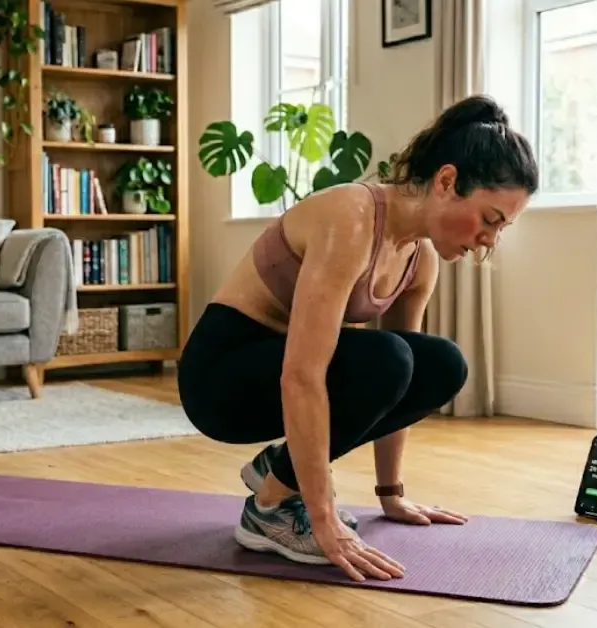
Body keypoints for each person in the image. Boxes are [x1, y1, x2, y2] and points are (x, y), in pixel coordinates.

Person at [176, 94, 539, 583]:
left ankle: (276, 474)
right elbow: (301, 375)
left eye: (502, 229)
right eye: (491, 219)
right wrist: (325, 517)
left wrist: (390, 494)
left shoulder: (419, 258)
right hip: (221, 376)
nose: (490, 240)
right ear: (447, 181)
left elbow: (402, 388)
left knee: (441, 363)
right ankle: (268, 509)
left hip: (282, 372)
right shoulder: (352, 215)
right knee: (386, 356)